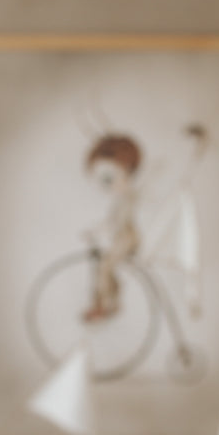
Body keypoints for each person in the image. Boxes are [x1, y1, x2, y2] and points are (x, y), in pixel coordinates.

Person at [82, 133, 143, 321]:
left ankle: (107, 305)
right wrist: (95, 231)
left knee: (106, 267)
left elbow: (117, 222)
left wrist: (101, 231)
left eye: (108, 178)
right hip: (119, 237)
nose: (105, 185)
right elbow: (111, 221)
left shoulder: (128, 197)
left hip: (127, 238)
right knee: (102, 266)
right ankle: (103, 303)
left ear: (127, 171)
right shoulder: (119, 199)